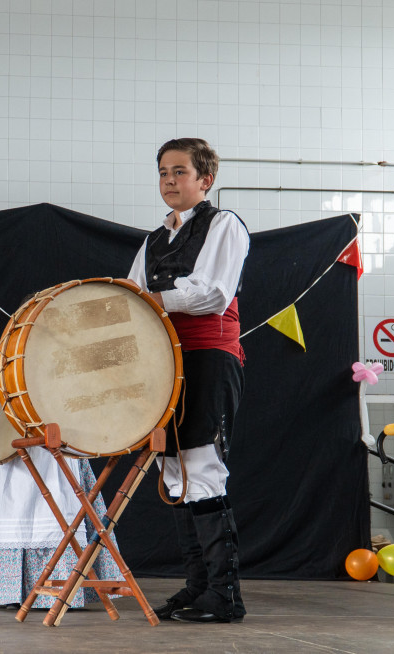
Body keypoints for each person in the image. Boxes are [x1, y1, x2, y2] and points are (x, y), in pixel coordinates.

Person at [127, 138, 249, 624]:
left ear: (206, 180)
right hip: (163, 362)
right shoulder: (152, 240)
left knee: (200, 465)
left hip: (207, 355)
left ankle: (225, 595)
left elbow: (212, 294)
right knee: (172, 471)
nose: (169, 181)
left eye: (179, 171)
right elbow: (132, 293)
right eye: (162, 172)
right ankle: (199, 588)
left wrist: (155, 299)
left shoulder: (224, 224)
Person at [0, 447, 122, 609]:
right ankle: (10, 592)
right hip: (10, 447)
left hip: (54, 447)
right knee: (13, 510)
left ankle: (60, 589)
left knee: (58, 504)